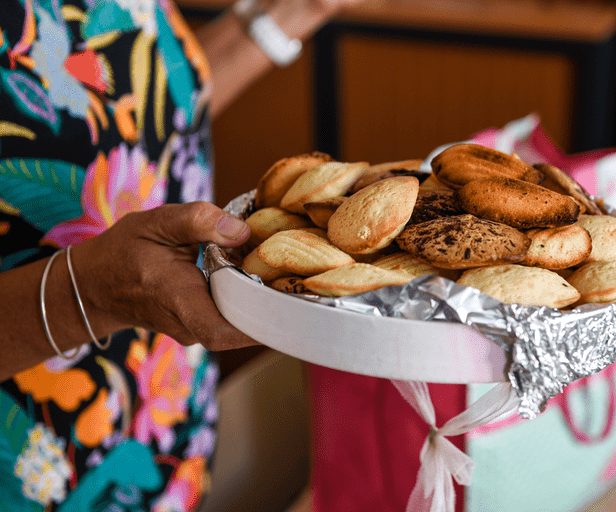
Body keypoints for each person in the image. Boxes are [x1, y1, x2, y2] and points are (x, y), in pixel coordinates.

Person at [0, 0, 360, 509]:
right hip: (33, 466)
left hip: (161, 426)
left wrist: (295, 11)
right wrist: (92, 292)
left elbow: (129, 110)